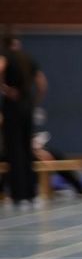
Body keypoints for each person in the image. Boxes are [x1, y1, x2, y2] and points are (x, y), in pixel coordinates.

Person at [1, 35, 45, 205]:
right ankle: (31, 192)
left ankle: (18, 194)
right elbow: (42, 83)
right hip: (27, 105)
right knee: (27, 149)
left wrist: (5, 89)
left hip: (13, 106)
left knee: (14, 149)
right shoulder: (28, 58)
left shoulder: (6, 55)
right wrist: (35, 102)